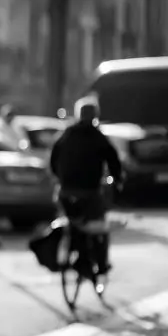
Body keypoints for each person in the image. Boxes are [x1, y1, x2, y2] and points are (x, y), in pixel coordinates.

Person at [49, 97, 123, 275]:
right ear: (95, 116)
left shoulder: (65, 135)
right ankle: (101, 264)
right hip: (90, 193)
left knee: (72, 221)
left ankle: (73, 249)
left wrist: (61, 179)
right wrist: (117, 180)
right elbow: (113, 162)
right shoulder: (98, 137)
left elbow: (53, 162)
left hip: (65, 193)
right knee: (98, 225)